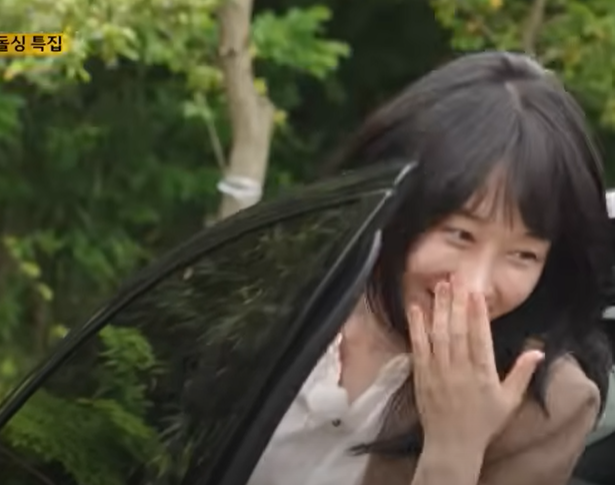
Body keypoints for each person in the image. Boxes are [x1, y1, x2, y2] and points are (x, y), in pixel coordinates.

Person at [247, 51, 613, 485]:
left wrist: (454, 450)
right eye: (460, 234)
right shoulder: (276, 297)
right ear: (396, 208)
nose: (475, 286)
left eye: (523, 255)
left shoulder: (546, 407)